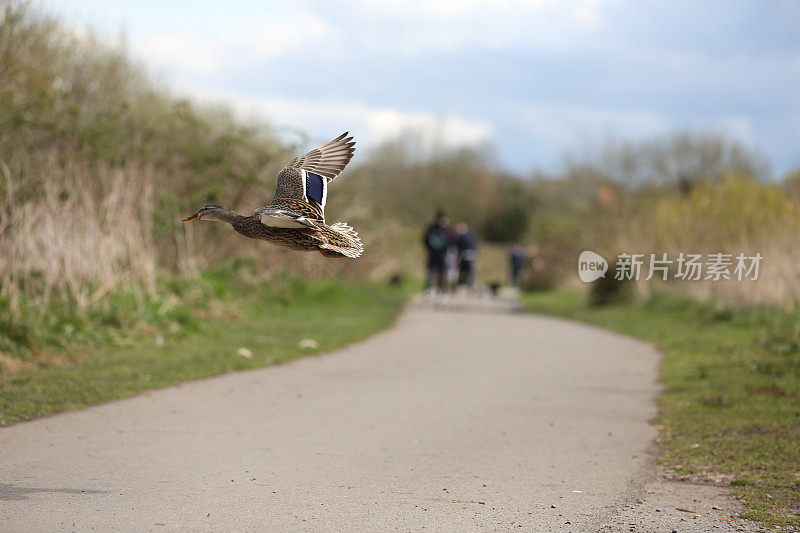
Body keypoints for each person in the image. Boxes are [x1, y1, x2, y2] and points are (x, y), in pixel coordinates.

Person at [423, 210, 451, 292]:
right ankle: (429, 288)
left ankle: (442, 288)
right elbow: (425, 240)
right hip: (433, 254)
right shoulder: (431, 229)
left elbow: (450, 241)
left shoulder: (447, 230)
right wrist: (431, 248)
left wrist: (444, 248)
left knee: (443, 272)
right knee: (431, 271)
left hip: (443, 254)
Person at [454, 222, 478, 287]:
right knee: (468, 270)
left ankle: (466, 283)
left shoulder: (462, 236)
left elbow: (458, 246)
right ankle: (469, 283)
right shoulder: (472, 234)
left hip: (466, 255)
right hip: (470, 254)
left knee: (466, 270)